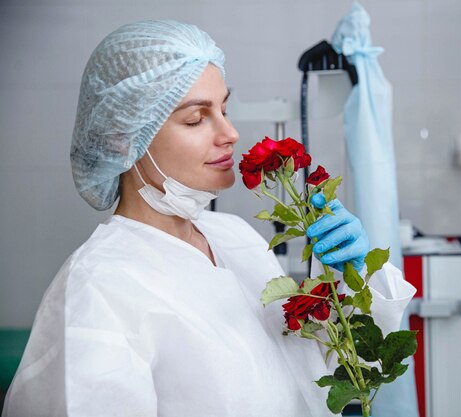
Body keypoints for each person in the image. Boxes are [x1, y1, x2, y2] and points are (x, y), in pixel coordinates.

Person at [1, 20, 416, 417]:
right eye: (196, 118)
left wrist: (354, 281)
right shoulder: (99, 289)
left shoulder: (234, 236)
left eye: (224, 108)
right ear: (122, 139)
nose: (230, 133)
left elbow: (308, 369)